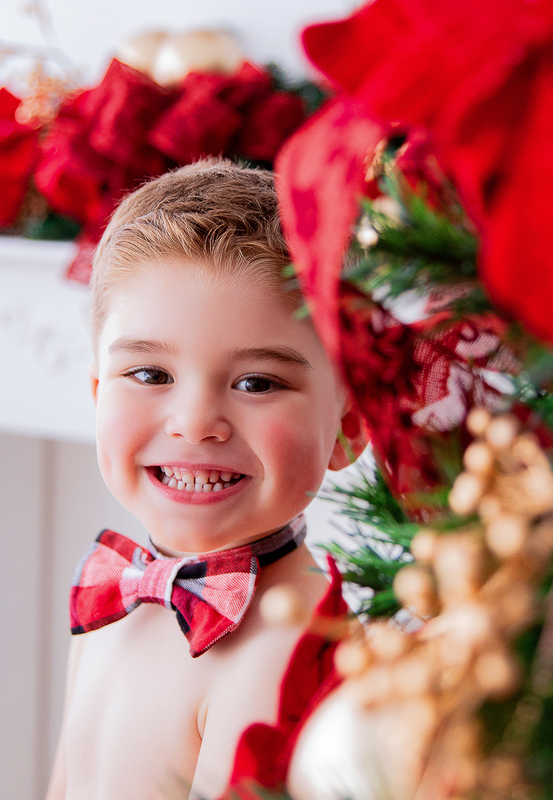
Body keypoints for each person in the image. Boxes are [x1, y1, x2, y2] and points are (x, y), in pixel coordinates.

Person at [44, 159, 367, 800]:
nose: (195, 423)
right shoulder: (112, 596)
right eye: (150, 374)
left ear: (349, 427)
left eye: (257, 383)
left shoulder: (289, 640)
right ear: (97, 393)